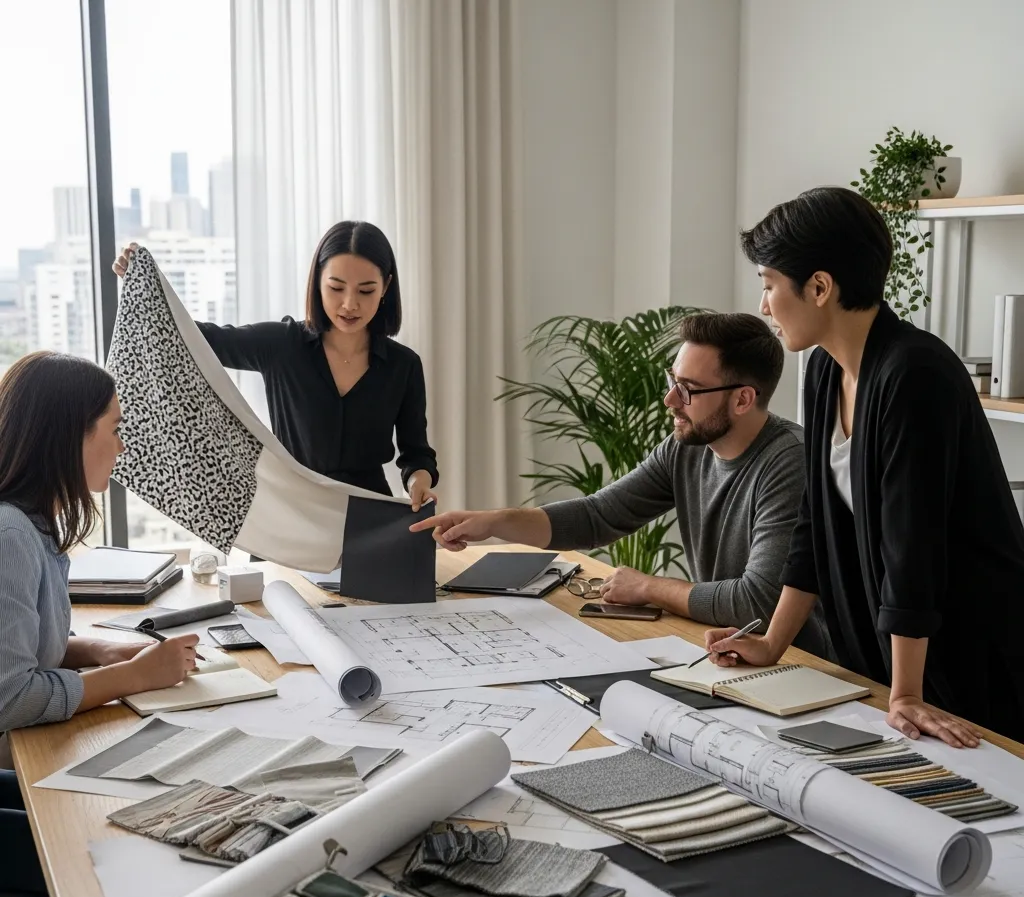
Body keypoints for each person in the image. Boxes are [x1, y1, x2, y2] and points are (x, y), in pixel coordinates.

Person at [705, 185, 1024, 748]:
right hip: (901, 662)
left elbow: (913, 544)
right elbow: (814, 523)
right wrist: (773, 642)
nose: (763, 306)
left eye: (769, 284)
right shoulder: (827, 372)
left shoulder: (914, 374)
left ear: (820, 287)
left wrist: (905, 694)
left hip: (972, 656)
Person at [413, 312, 832, 658]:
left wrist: (649, 587)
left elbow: (757, 602)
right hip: (727, 651)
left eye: (688, 390)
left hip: (802, 667)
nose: (670, 400)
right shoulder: (685, 448)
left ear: (742, 399)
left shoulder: (789, 461)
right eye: (674, 381)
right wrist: (495, 522)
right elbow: (599, 516)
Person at [0, 351, 199, 897]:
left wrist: (104, 648)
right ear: (69, 435)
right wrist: (132, 678)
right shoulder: (7, 535)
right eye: (112, 428)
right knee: (102, 854)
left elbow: (31, 647)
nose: (121, 444)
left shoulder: (29, 525)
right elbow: (13, 698)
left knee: (110, 824)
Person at [112, 220, 438, 509]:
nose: (350, 304)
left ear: (386, 288)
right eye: (336, 288)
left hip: (367, 519)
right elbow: (197, 339)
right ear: (317, 282)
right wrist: (144, 283)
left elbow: (416, 454)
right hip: (289, 516)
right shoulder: (282, 345)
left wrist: (418, 484)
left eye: (366, 291)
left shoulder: (404, 365)